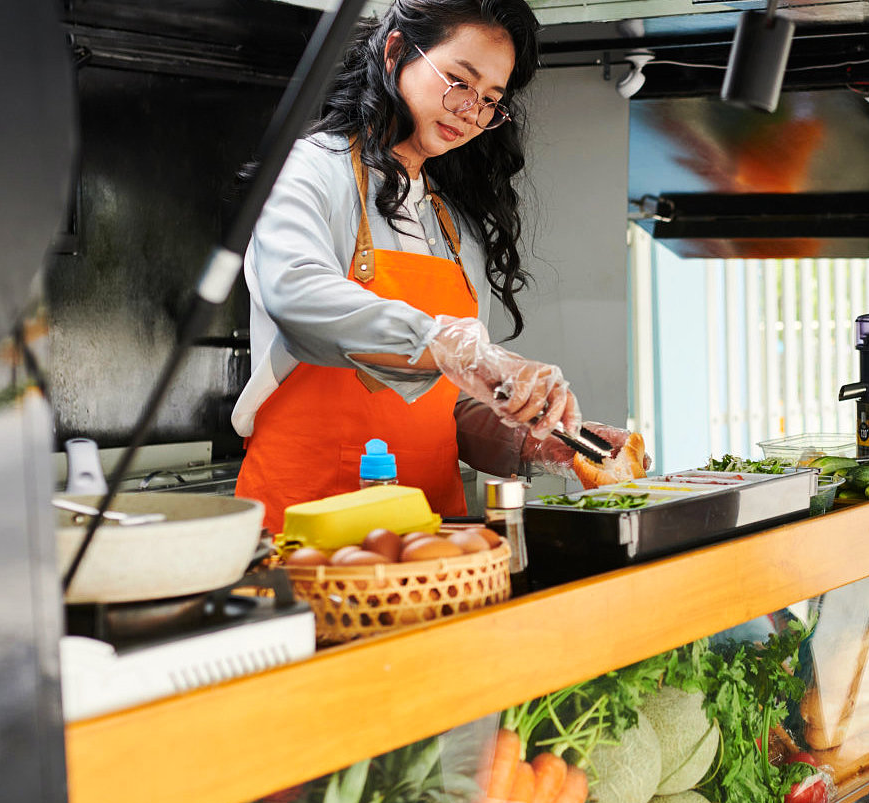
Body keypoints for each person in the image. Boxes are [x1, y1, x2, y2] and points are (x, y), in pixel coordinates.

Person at [232, 0, 642, 530]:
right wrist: (457, 348)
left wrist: (540, 442)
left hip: (435, 532)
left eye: (492, 99)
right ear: (396, 50)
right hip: (308, 523)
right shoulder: (311, 169)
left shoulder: (453, 222)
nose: (471, 111)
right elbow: (298, 297)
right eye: (459, 80)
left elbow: (442, 407)